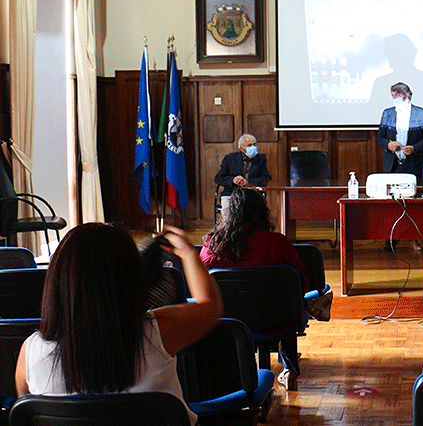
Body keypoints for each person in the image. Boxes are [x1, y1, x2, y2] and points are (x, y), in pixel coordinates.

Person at [15, 223, 221, 426]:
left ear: (55, 282)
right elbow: (210, 306)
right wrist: (189, 255)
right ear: (131, 278)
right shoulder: (159, 333)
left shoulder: (30, 352)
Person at [200, 187, 327, 391]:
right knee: (289, 302)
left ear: (228, 214)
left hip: (229, 326)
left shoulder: (213, 246)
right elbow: (301, 284)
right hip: (279, 322)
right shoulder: (277, 242)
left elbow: (201, 287)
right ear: (262, 212)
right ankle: (290, 368)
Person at [376, 82, 423, 251]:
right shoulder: (387, 114)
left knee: (412, 203)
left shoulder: (421, 114)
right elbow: (379, 137)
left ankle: (413, 239)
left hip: (413, 163)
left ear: (407, 96)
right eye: (392, 96)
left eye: (397, 96)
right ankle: (390, 239)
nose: (393, 99)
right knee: (391, 203)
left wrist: (415, 148)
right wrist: (388, 144)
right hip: (392, 163)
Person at [370, 33, 423, 111]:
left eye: (391, 52)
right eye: (388, 52)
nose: (388, 56)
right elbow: (372, 114)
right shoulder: (380, 83)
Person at [215, 133, 272, 215]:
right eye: (249, 145)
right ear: (241, 149)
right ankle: (229, 227)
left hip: (253, 193)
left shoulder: (261, 159)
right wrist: (233, 180)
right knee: (228, 215)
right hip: (231, 193)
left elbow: (266, 178)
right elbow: (219, 178)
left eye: (254, 145)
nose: (253, 147)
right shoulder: (229, 158)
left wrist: (248, 182)